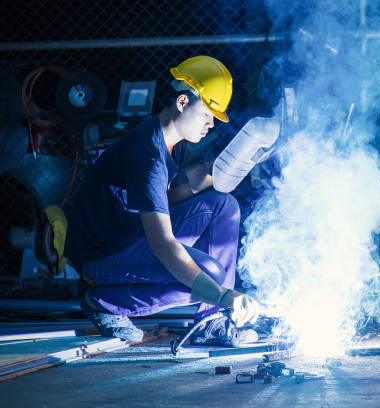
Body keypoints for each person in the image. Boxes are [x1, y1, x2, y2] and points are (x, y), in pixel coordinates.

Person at [64, 56, 259, 346]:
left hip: (130, 235)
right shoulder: (148, 154)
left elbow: (164, 197)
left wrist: (224, 169)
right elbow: (163, 245)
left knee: (224, 205)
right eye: (207, 114)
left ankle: (211, 322)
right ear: (182, 102)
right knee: (208, 273)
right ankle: (103, 302)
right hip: (102, 256)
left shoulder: (168, 141)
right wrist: (221, 293)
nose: (210, 125)